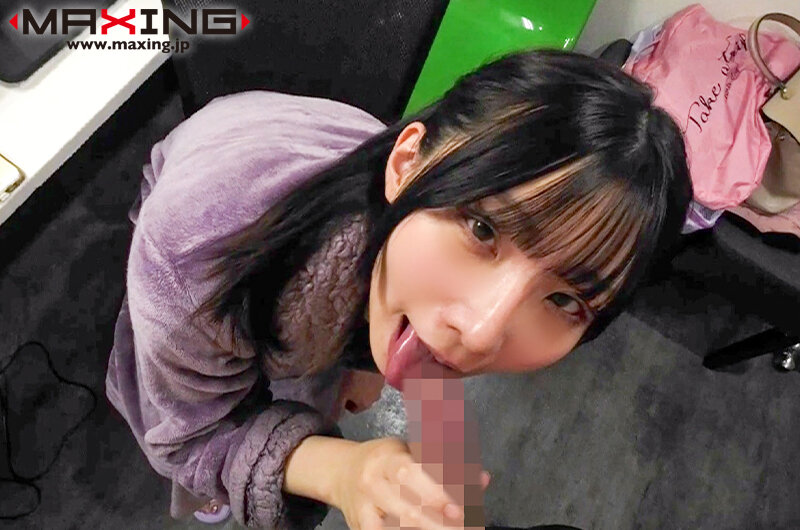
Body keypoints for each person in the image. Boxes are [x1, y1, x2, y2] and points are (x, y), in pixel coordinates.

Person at [105, 49, 692, 529]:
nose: (481, 332)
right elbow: (188, 431)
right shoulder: (197, 250)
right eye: (483, 229)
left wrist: (370, 361)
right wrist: (338, 470)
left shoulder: (415, 237)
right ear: (406, 162)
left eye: (565, 300)